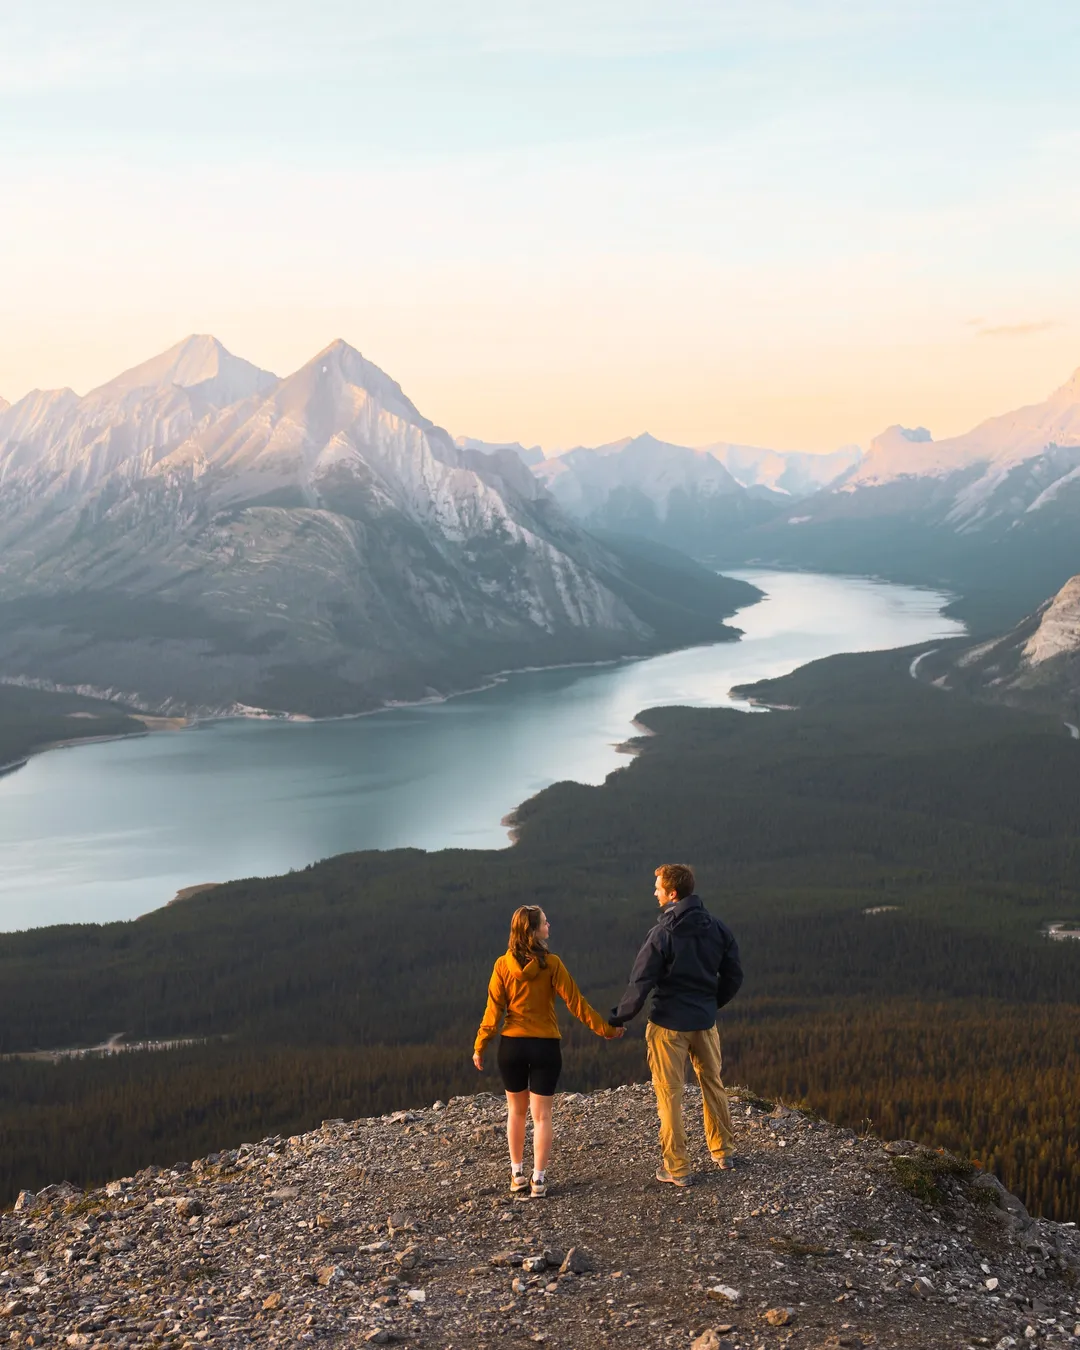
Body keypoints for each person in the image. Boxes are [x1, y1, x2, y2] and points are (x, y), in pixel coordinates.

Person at [474, 904, 623, 1198]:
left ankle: (516, 1174)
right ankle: (538, 1181)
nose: (549, 925)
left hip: (512, 1047)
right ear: (533, 931)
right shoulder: (552, 964)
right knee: (542, 1117)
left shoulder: (502, 965)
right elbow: (576, 1003)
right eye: (544, 922)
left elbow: (492, 1012)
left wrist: (480, 1045)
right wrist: (606, 1030)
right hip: (545, 1047)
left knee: (516, 1113)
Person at [609, 863, 743, 1187]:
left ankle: (678, 1168)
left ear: (672, 893)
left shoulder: (662, 933)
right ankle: (723, 1151)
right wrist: (710, 1004)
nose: (654, 892)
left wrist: (617, 1018)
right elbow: (734, 975)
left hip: (669, 1025)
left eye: (657, 887)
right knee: (713, 1084)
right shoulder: (718, 928)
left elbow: (640, 982)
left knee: (670, 1095)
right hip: (704, 1022)